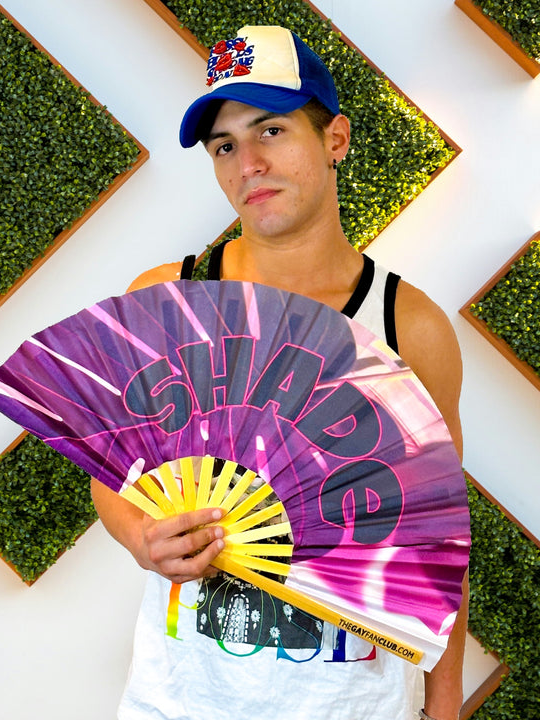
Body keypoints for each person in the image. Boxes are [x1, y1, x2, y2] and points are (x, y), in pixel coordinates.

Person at [91, 24, 467, 720]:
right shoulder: (167, 300)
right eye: (224, 146)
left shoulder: (409, 327)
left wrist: (443, 710)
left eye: (271, 131)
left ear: (335, 139)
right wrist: (140, 536)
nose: (249, 164)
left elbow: (437, 548)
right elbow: (114, 473)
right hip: (183, 702)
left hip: (356, 704)